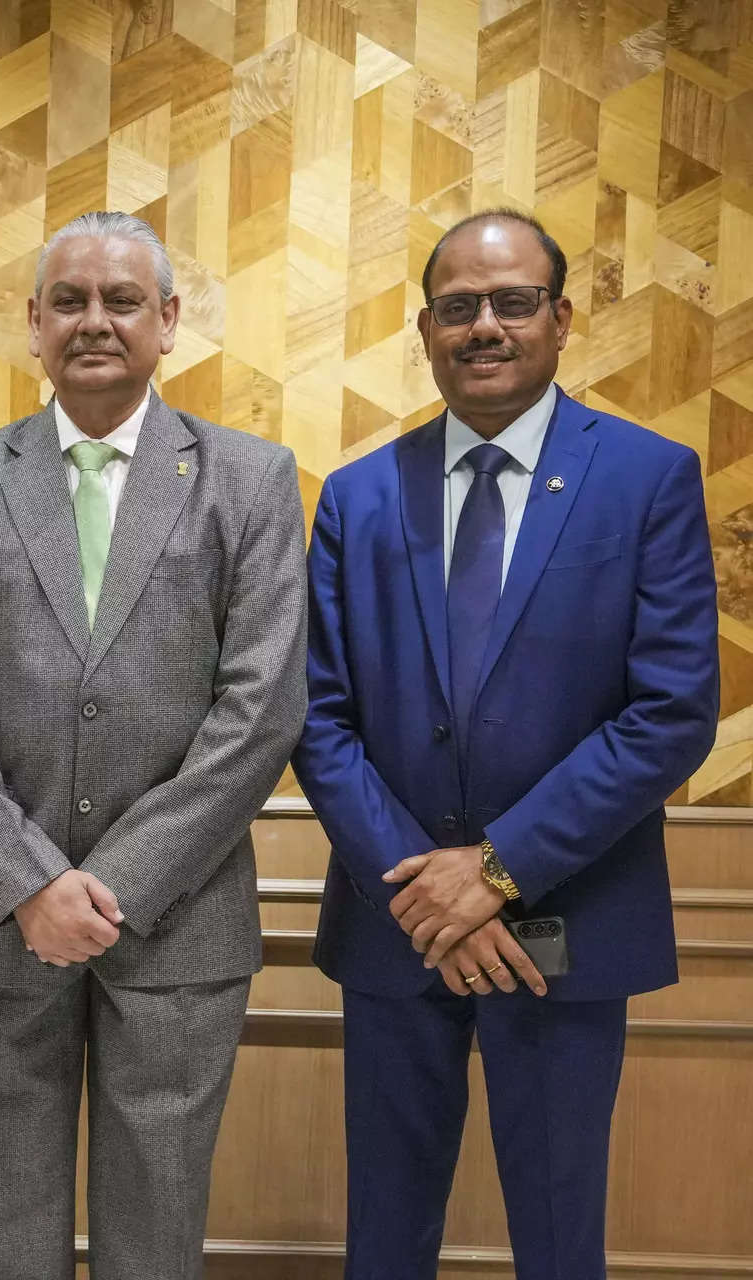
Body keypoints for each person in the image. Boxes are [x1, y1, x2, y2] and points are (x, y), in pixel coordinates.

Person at [293, 210, 719, 1280]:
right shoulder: (355, 496)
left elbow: (669, 710)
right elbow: (318, 712)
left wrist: (492, 872)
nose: (483, 325)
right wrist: (425, 894)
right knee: (382, 1236)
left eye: (512, 300)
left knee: (558, 1233)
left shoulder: (645, 477)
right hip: (396, 924)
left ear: (561, 317)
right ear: (425, 329)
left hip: (567, 924)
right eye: (456, 307)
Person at [0, 211, 308, 1279]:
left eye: (121, 300)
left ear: (168, 321)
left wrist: (114, 881)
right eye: (69, 301)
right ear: (32, 326)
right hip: (3, 921)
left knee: (156, 1224)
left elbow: (261, 706)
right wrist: (31, 882)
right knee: (6, 1219)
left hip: (178, 923)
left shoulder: (250, 478)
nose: (94, 320)